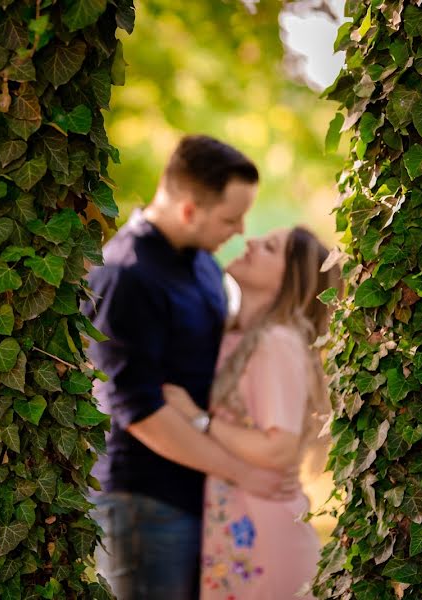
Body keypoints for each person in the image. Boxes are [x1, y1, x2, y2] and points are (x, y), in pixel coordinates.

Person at [82, 135, 298, 600]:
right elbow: (140, 414)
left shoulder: (202, 263)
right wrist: (241, 471)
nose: (241, 230)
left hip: (201, 494)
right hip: (143, 502)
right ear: (187, 210)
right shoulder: (126, 275)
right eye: (230, 217)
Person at [163, 226, 339, 599]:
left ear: (289, 280)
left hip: (263, 537)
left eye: (269, 247)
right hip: (229, 535)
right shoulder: (233, 335)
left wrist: (199, 418)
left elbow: (280, 449)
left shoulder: (277, 342)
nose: (252, 241)